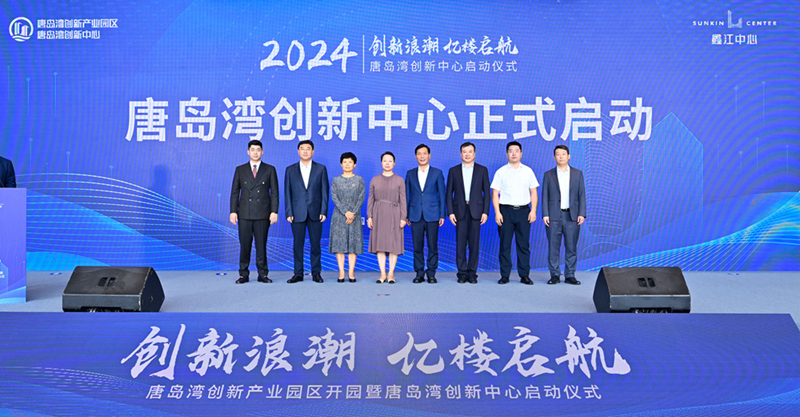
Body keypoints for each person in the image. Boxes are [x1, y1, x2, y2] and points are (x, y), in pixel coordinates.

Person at [229, 140, 279, 284]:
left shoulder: (269, 169)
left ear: (262, 152)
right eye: (253, 149)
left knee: (261, 246)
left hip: (263, 213)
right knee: (245, 245)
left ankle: (262, 274)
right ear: (248, 152)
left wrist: (274, 211)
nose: (255, 152)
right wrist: (233, 211)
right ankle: (243, 274)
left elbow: (274, 193)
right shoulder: (240, 169)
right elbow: (235, 192)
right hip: (244, 213)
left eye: (258, 149)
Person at [491, 141, 539, 285]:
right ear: (507, 154)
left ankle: (524, 275)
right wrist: (497, 212)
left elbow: (533, 192)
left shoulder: (528, 171)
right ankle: (505, 275)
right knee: (505, 245)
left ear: (521, 153)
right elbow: (495, 194)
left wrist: (533, 210)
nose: (514, 153)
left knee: (523, 245)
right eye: (511, 151)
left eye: (516, 151)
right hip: (505, 211)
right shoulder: (501, 172)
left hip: (524, 211)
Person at [285, 140, 329, 283]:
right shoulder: (290, 170)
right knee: (298, 245)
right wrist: (289, 212)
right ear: (298, 151)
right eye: (302, 149)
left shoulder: (321, 169)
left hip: (315, 212)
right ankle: (298, 273)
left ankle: (316, 273)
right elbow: (287, 192)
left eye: (308, 149)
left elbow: (324, 191)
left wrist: (323, 210)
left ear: (313, 151)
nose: (305, 151)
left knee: (315, 244)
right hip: (297, 213)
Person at [446, 142, 491, 284]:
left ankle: (472, 273)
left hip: (476, 211)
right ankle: (461, 273)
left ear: (474, 154)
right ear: (460, 154)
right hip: (459, 210)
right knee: (460, 244)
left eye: (470, 151)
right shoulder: (453, 171)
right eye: (464, 152)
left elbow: (487, 193)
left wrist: (485, 212)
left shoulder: (482, 170)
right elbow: (449, 193)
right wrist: (450, 212)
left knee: (474, 244)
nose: (467, 154)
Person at [542, 145, 586, 285]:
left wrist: (582, 213)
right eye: (558, 154)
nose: (561, 156)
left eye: (563, 154)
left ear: (569, 156)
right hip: (553, 216)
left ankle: (570, 275)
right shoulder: (548, 174)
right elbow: (544, 195)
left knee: (571, 247)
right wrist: (545, 214)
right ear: (554, 157)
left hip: (572, 216)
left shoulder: (577, 174)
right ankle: (554, 275)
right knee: (553, 247)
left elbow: (581, 194)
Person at [405, 144, 446, 284]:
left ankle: (431, 273)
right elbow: (406, 195)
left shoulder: (437, 173)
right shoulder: (410, 173)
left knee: (432, 245)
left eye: (424, 153)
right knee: (417, 246)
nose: (422, 156)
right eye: (419, 154)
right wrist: (406, 214)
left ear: (429, 155)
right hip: (415, 214)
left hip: (433, 214)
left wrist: (442, 214)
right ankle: (419, 273)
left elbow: (442, 194)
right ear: (415, 156)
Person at [367, 151, 407, 284]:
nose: (387, 163)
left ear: (394, 163)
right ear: (381, 163)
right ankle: (383, 274)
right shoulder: (375, 179)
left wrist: (403, 217)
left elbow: (403, 200)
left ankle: (391, 274)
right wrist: (369, 216)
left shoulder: (399, 180)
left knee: (393, 245)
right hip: (378, 213)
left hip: (394, 213)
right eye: (385, 161)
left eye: (390, 161)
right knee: (380, 245)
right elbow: (371, 199)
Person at [329, 152, 366, 283]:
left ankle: (351, 273)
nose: (347, 164)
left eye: (350, 162)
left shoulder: (359, 180)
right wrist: (346, 212)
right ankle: (341, 272)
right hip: (339, 216)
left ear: (354, 164)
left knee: (353, 244)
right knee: (340, 244)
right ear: (341, 164)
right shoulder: (336, 180)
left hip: (355, 216)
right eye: (345, 162)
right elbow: (334, 197)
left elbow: (361, 197)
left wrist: (352, 213)